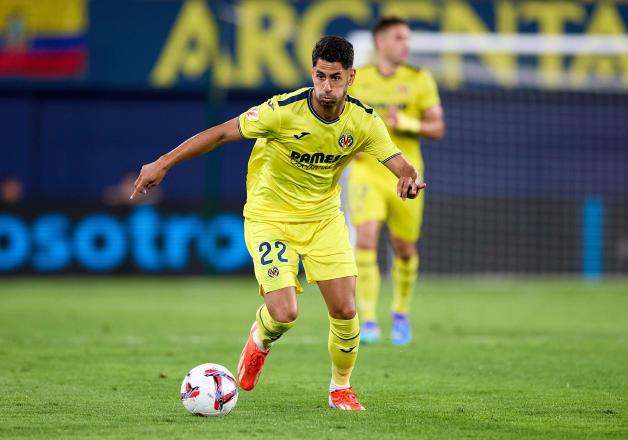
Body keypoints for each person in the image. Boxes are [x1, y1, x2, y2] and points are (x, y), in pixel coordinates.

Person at [131, 36, 425, 411]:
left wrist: (408, 178)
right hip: (270, 218)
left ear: (351, 77)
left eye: (335, 78)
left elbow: (399, 162)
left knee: (346, 310)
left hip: (322, 220)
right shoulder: (282, 111)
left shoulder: (363, 122)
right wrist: (163, 163)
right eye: (320, 76)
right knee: (285, 314)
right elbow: (220, 133)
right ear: (312, 73)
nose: (326, 87)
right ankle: (261, 338)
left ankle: (341, 388)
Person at [347, 16, 445, 346]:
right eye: (400, 38)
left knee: (404, 247)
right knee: (365, 239)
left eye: (407, 38)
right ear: (381, 43)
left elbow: (437, 128)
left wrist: (406, 122)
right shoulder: (359, 79)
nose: (406, 44)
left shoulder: (420, 80)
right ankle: (369, 318)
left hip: (406, 173)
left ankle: (400, 312)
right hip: (367, 173)